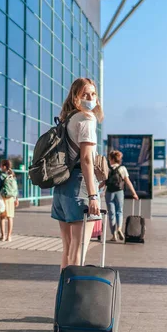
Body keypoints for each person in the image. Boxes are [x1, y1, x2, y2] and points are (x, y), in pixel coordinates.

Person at [51, 78, 103, 270]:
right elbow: (87, 159)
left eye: (93, 94)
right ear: (76, 98)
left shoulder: (67, 119)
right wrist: (93, 195)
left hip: (62, 187)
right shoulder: (87, 119)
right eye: (85, 94)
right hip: (79, 186)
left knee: (68, 250)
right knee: (79, 250)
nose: (91, 98)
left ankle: (64, 295)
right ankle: (74, 297)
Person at [101, 150, 139, 242]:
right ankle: (119, 228)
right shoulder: (122, 169)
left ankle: (114, 234)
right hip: (119, 192)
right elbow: (127, 181)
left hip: (109, 193)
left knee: (111, 213)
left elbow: (103, 183)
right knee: (119, 211)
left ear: (111, 158)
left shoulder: (108, 168)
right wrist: (134, 193)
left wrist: (95, 191)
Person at [0, 160, 19, 241]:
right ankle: (9, 237)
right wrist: (16, 198)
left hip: (3, 198)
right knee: (10, 217)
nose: (0, 167)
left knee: (2, 217)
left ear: (4, 166)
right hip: (11, 199)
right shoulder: (12, 175)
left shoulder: (1, 176)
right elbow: (15, 188)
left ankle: (3, 236)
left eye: (1, 165)